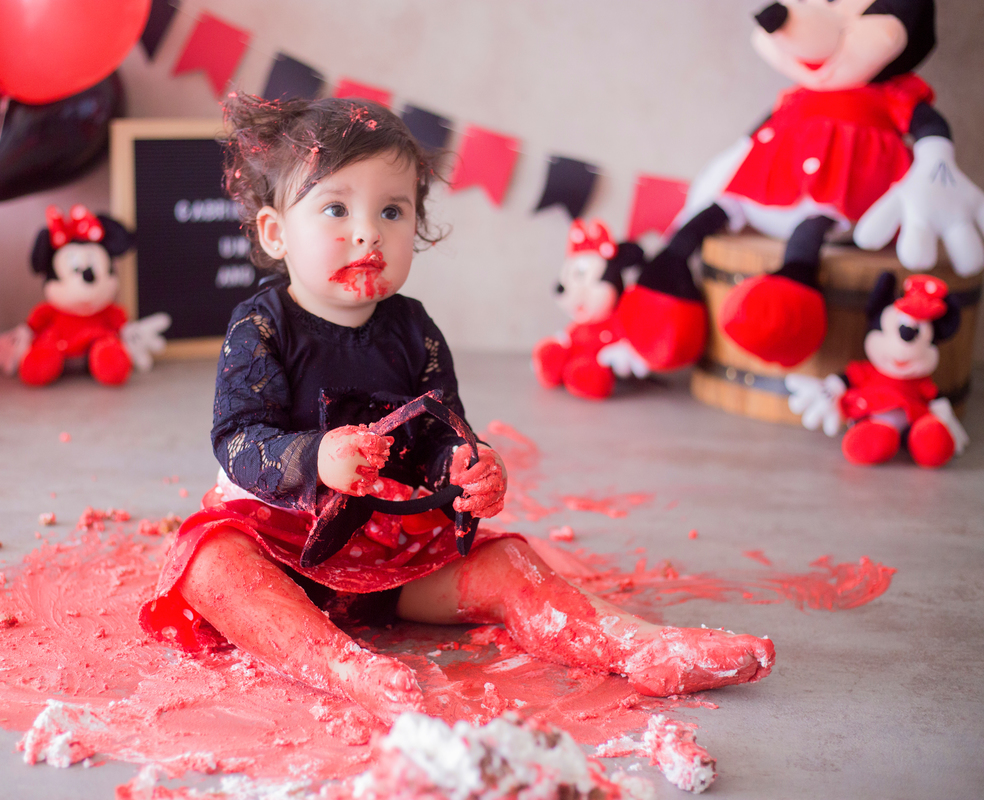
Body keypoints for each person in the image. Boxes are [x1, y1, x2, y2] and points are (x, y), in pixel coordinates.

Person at [139, 93, 774, 723]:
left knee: (508, 562)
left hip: (392, 552)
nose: (368, 232)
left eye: (392, 210)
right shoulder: (261, 325)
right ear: (276, 233)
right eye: (336, 208)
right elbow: (239, 438)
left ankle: (634, 644)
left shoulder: (414, 329)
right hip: (283, 543)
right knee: (208, 563)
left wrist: (468, 466)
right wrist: (316, 457)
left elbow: (442, 432)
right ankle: (339, 664)